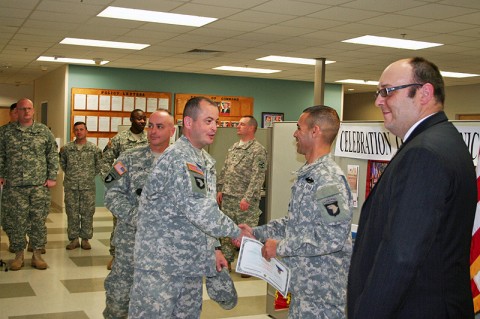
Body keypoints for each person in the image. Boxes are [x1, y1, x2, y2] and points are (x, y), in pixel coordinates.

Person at [347, 57, 477, 319]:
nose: (378, 101)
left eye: (387, 91)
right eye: (378, 93)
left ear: (424, 93)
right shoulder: (442, 141)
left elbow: (400, 256)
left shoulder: (425, 153)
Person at [128, 97, 244, 318]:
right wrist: (236, 232)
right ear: (188, 123)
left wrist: (215, 248)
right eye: (208, 121)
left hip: (189, 262)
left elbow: (205, 209)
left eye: (216, 122)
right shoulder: (180, 159)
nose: (214, 127)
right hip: (161, 266)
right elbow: (200, 210)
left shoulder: (203, 160)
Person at [240, 105, 353, 318]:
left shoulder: (327, 179)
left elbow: (334, 236)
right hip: (304, 288)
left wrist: (281, 246)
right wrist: (257, 232)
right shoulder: (310, 174)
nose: (294, 133)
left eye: (299, 128)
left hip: (322, 292)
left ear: (315, 131)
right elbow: (295, 223)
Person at [103, 110, 175, 319]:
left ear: (172, 131)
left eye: (159, 127)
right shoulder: (128, 157)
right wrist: (138, 217)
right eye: (150, 126)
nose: (152, 131)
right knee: (119, 297)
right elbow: (112, 193)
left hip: (166, 246)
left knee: (158, 300)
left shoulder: (180, 163)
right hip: (130, 242)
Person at [0, 98, 59, 271]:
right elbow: (1, 155)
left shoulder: (43, 131)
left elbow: (52, 155)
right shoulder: (5, 132)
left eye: (29, 109)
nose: (26, 112)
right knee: (16, 220)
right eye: (22, 109)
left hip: (39, 185)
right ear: (16, 111)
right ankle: (18, 255)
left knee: (38, 221)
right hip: (14, 186)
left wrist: (52, 176)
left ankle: (37, 255)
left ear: (34, 111)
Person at [216, 115, 267, 272]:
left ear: (251, 128)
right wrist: (220, 188)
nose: (238, 126)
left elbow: (258, 177)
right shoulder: (234, 147)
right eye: (238, 124)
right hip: (228, 197)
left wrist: (247, 198)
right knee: (226, 232)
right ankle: (227, 262)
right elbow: (225, 169)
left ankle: (249, 266)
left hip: (244, 200)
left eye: (242, 124)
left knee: (247, 234)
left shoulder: (258, 150)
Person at [101, 109, 148, 270]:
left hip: (145, 192)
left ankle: (141, 257)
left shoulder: (150, 139)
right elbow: (105, 160)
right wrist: (111, 183)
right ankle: (116, 256)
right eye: (138, 119)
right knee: (120, 224)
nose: (142, 121)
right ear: (131, 120)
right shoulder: (120, 139)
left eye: (144, 119)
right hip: (126, 191)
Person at [59, 121, 102, 250]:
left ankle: (85, 239)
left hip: (88, 187)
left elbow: (98, 166)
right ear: (74, 132)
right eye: (76, 130)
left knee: (87, 213)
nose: (79, 132)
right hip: (71, 186)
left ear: (86, 131)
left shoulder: (94, 149)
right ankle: (73, 239)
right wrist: (74, 175)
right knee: (72, 213)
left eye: (81, 129)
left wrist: (86, 176)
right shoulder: (66, 149)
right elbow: (63, 164)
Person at [0, 102, 18, 252]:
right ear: (11, 114)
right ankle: (15, 241)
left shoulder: (38, 131)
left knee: (33, 215)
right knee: (10, 214)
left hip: (31, 182)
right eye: (16, 112)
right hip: (9, 182)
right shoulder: (3, 132)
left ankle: (33, 243)